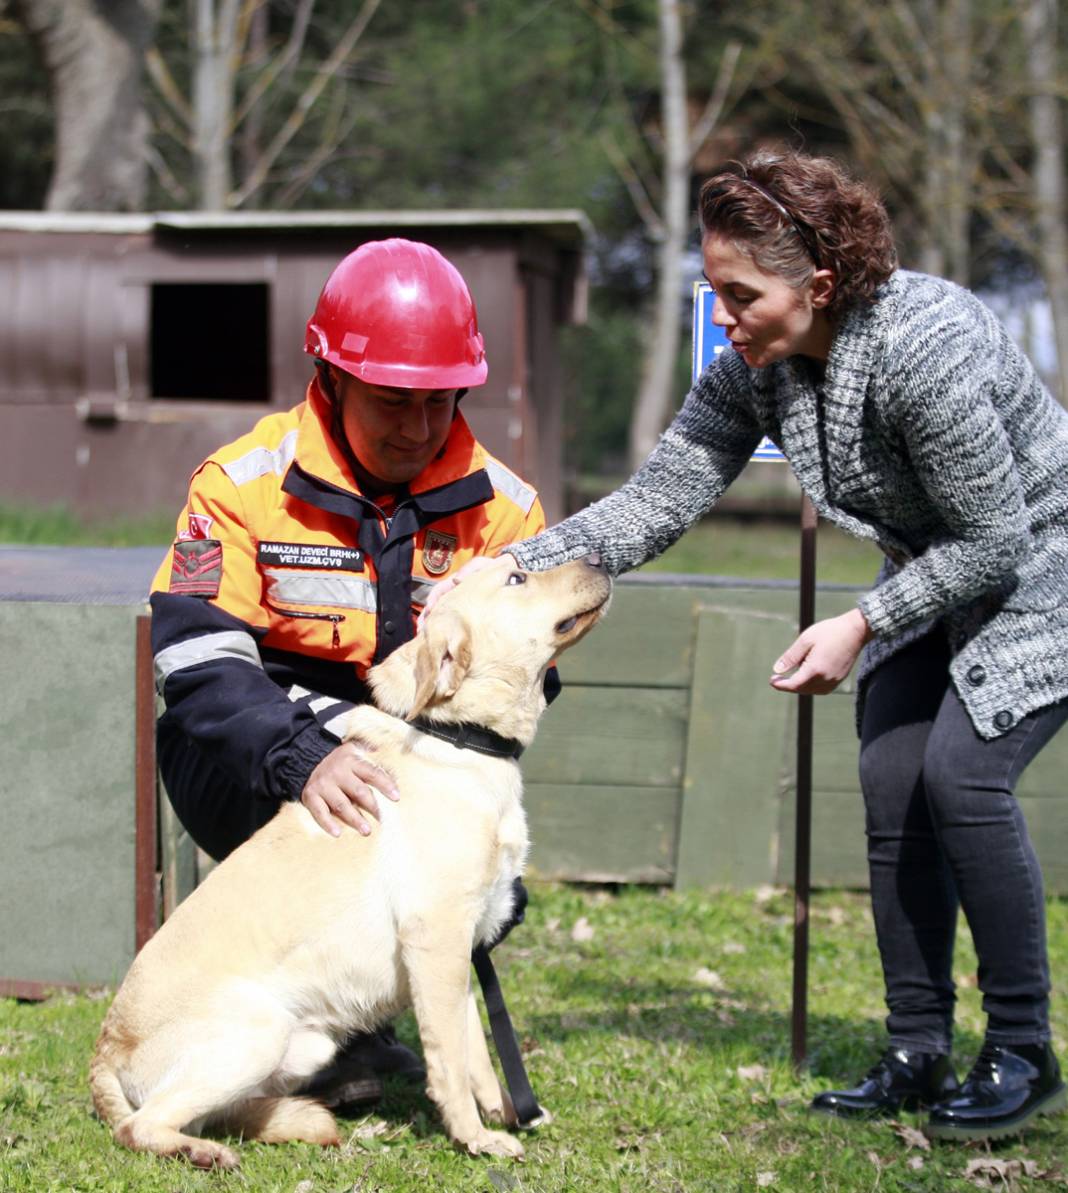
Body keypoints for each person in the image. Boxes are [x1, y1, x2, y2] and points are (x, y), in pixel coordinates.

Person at [433, 150, 1068, 1142]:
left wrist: (863, 622)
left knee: (959, 776)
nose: (723, 316)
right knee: (893, 775)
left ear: (818, 284)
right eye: (713, 290)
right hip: (933, 567)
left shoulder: (927, 344)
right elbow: (657, 497)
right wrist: (510, 574)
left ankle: (1023, 1051)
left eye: (740, 294)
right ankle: (915, 1049)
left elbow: (995, 541)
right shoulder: (757, 372)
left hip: (1042, 570)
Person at [149, 237, 548, 1106]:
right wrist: (301, 755)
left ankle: (351, 1031)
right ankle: (301, 1023)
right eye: (392, 401)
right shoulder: (241, 481)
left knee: (482, 869)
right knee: (338, 793)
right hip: (246, 750)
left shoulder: (507, 509)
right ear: (330, 381)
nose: (416, 428)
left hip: (417, 754)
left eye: (439, 403)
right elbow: (197, 659)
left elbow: (523, 677)